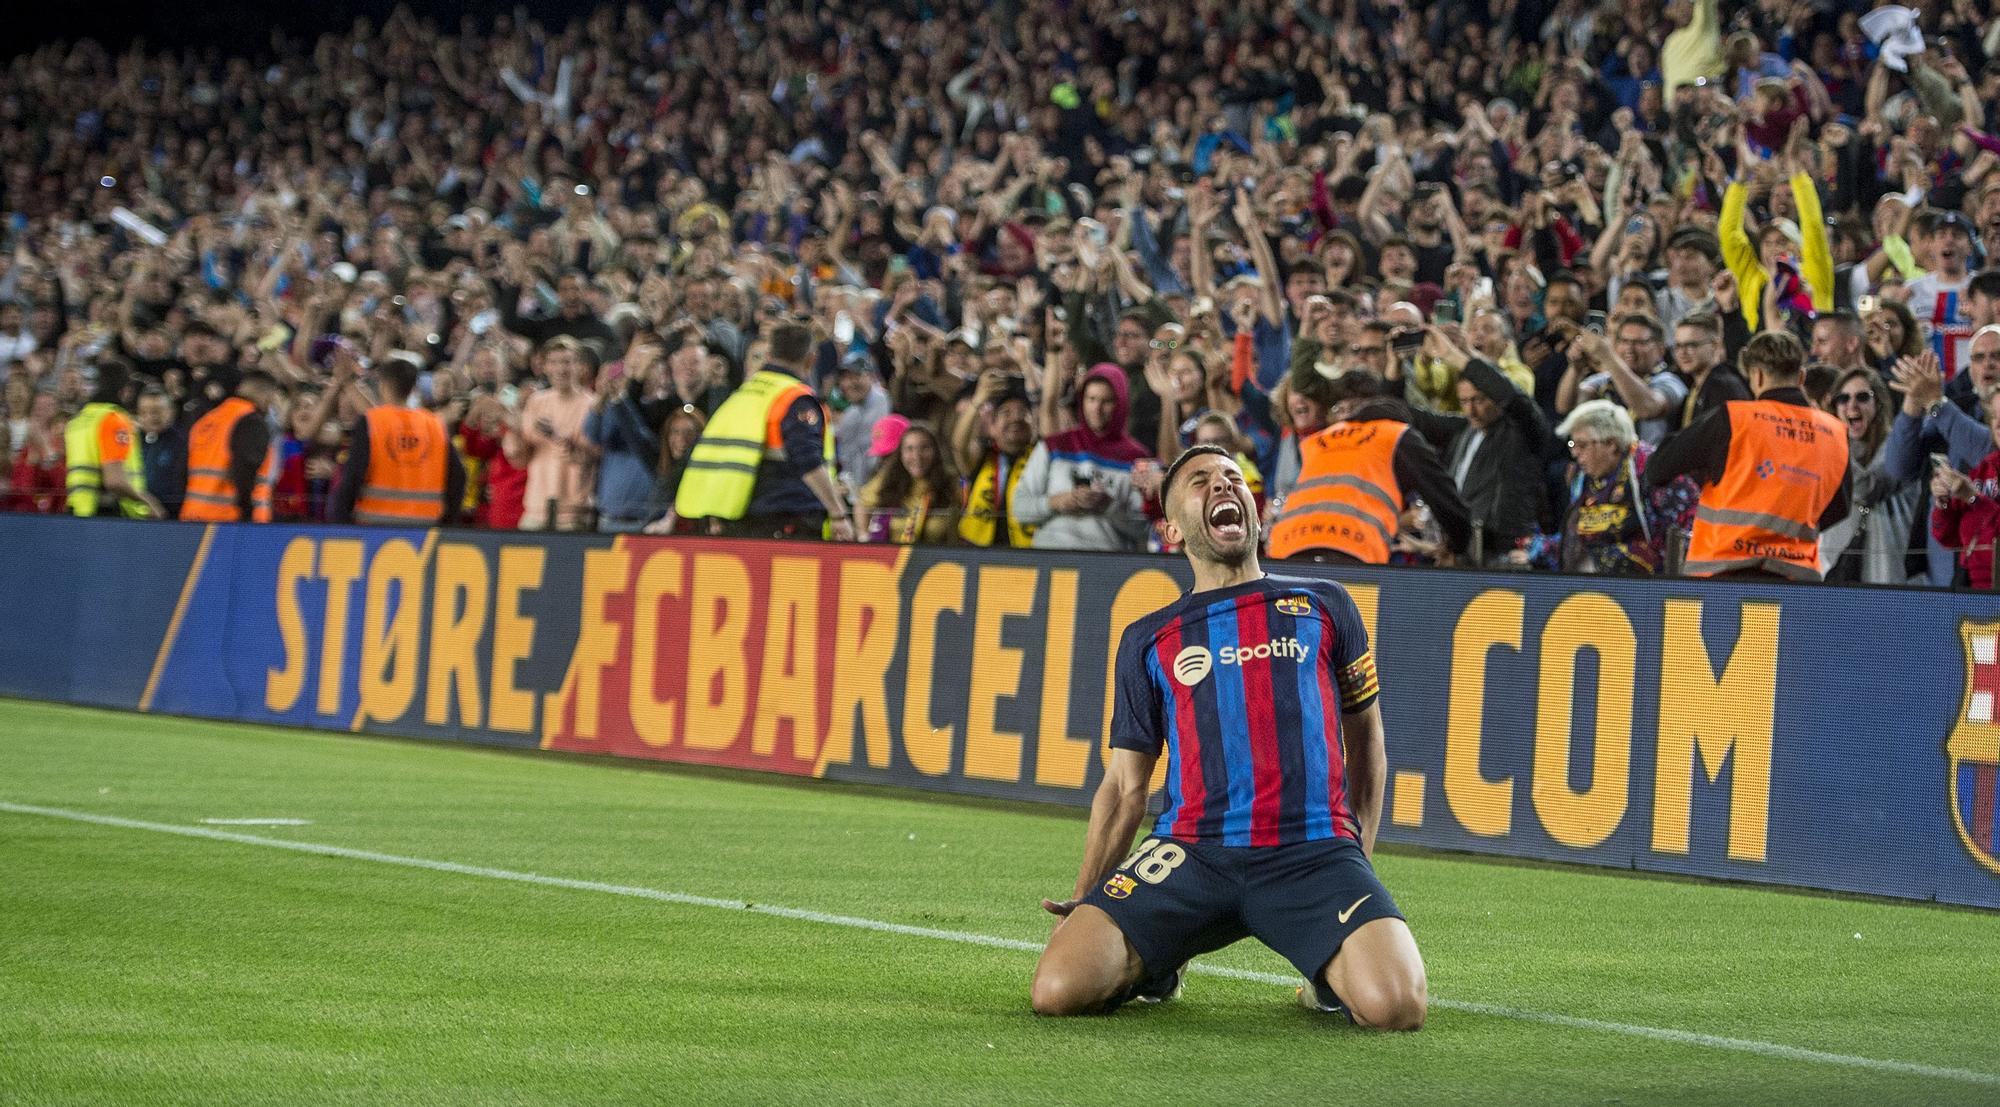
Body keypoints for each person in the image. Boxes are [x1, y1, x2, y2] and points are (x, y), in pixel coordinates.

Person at [1030, 444, 1426, 1029]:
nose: (1222, 485)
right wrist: (1085, 895)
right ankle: (1160, 963)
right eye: (1200, 481)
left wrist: (1357, 862)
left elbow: (1367, 748)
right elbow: (1123, 787)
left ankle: (1322, 976)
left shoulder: (1327, 604)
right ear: (1171, 529)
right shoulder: (1149, 637)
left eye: (1232, 477)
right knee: (1058, 992)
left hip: (1312, 852)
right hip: (1192, 851)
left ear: (1254, 510)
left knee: (1397, 1008)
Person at [1648, 331, 1851, 581]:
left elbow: (1658, 468)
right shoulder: (1833, 432)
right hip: (1796, 579)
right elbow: (1840, 507)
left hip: (1724, 574)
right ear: (1801, 377)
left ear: (1757, 375)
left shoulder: (1734, 419)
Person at [1267, 371, 1471, 565]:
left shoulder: (1319, 439)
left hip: (1285, 549)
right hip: (1352, 550)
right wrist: (1457, 546)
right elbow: (1445, 498)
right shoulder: (1396, 434)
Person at [673, 320, 853, 540]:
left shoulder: (741, 395)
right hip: (786, 517)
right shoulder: (795, 399)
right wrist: (838, 514)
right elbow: (808, 461)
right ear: (811, 359)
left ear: (769, 354)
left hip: (738, 515)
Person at [1402, 328, 1558, 564]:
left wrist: (1454, 356)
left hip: (1502, 554)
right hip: (1459, 550)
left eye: (1479, 400)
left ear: (1495, 397)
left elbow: (1515, 398)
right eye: (1464, 401)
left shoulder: (1522, 433)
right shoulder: (1462, 430)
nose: (1470, 410)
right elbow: (1406, 415)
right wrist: (1394, 368)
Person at [1525, 400, 1697, 574]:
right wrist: (1538, 548)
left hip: (1646, 587)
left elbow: (1680, 541)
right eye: (1572, 445)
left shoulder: (1654, 471)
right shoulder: (1583, 478)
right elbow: (1573, 539)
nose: (1575, 453)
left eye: (1582, 445)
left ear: (1611, 444)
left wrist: (1602, 562)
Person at [1013, 364, 1153, 553]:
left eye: (1107, 401)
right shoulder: (1053, 445)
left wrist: (1108, 505)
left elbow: (1145, 529)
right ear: (1082, 400)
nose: (1097, 408)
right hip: (1050, 556)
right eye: (1091, 399)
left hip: (1108, 563)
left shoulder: (1137, 458)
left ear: (1121, 404)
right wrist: (1057, 502)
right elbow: (1019, 509)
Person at [332, 355, 465, 527]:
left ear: (383, 385)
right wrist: (447, 523)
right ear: (413, 388)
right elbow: (458, 477)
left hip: (374, 527)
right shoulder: (434, 424)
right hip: (425, 528)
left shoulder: (372, 421)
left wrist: (341, 522)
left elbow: (354, 475)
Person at [1818, 367, 1919, 584]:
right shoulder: (1828, 449)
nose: (1852, 405)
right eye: (1843, 399)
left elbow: (1866, 489)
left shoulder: (1897, 448)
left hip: (1888, 574)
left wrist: (1827, 440)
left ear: (1879, 403)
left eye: (1862, 397)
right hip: (1836, 569)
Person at [64, 359, 162, 519]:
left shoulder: (78, 421)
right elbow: (114, 480)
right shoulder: (113, 419)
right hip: (110, 513)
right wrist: (148, 501)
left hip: (78, 510)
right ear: (124, 389)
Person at [178, 371, 280, 523]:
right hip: (229, 520)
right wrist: (247, 512)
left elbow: (182, 471)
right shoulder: (251, 421)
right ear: (265, 394)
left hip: (192, 516)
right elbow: (245, 469)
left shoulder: (205, 421)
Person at [517, 336, 596, 531]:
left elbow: (592, 452)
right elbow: (523, 449)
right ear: (545, 367)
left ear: (579, 366)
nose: (561, 369)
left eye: (567, 362)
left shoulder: (592, 404)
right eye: (554, 362)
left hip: (573, 508)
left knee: (568, 561)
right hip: (537, 503)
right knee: (524, 558)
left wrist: (557, 435)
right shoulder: (536, 401)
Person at [957, 378, 1040, 548]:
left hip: (1029, 555)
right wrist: (979, 400)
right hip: (978, 554)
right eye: (1006, 413)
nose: (1016, 418)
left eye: (1023, 412)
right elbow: (959, 445)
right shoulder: (982, 458)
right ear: (992, 427)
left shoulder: (1042, 457)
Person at [1930, 387, 2000, 589]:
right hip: (1971, 593)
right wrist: (1943, 504)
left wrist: (1973, 498)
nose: (1998, 424)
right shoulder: (1984, 469)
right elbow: (1948, 537)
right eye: (1994, 416)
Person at [854, 420, 962, 544]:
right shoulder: (888, 478)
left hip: (939, 560)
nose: (917, 456)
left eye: (924, 448)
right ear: (900, 454)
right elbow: (861, 503)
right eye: (909, 449)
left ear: (936, 451)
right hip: (894, 560)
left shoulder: (951, 483)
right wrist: (863, 536)